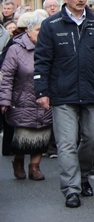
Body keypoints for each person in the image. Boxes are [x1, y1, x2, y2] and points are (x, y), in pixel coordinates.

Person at [34, 0, 94, 208]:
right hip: (62, 93)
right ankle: (71, 189)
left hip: (93, 91)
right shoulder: (51, 25)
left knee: (93, 138)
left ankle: (82, 176)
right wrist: (41, 91)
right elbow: (42, 61)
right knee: (66, 143)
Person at [0, 15, 52, 181]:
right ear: (28, 31)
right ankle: (18, 161)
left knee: (42, 134)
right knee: (22, 137)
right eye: (38, 30)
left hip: (46, 99)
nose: (41, 33)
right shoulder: (15, 49)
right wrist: (4, 100)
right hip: (21, 100)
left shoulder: (51, 47)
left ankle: (35, 167)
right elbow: (6, 76)